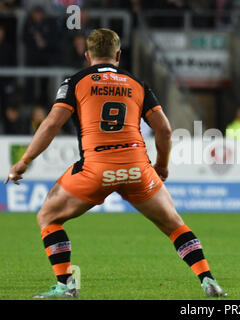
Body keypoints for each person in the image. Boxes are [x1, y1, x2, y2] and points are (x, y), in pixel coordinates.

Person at [4, 28, 226, 298]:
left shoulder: (75, 81)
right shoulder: (138, 84)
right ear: (118, 55)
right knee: (174, 224)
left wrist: (24, 161)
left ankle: (66, 285)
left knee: (48, 217)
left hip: (96, 169)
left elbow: (51, 124)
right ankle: (208, 280)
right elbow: (165, 130)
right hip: (137, 168)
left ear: (87, 55)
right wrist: (163, 166)